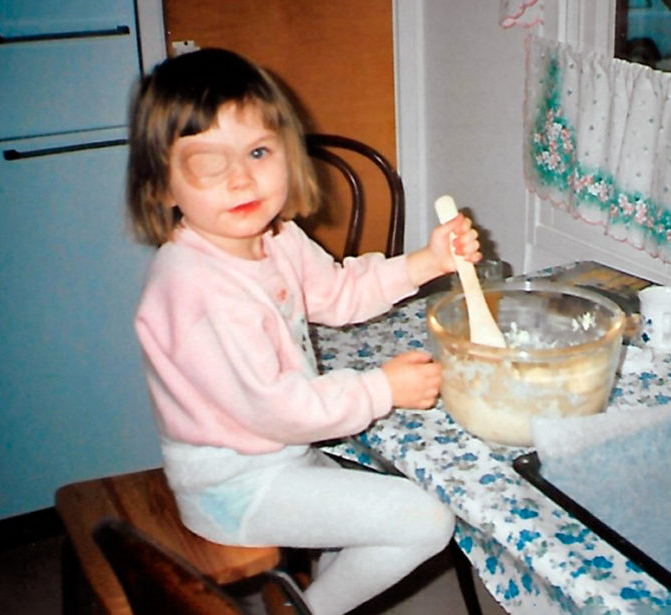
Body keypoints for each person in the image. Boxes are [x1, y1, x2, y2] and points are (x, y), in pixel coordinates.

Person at [126, 48, 478, 615]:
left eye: (258, 152)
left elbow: (338, 292)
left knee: (377, 516)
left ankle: (304, 604)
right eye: (209, 163)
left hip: (283, 455)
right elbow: (278, 408)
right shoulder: (197, 290)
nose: (241, 178)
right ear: (161, 187)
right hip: (233, 487)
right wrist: (382, 389)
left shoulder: (275, 238)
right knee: (427, 521)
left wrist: (426, 262)